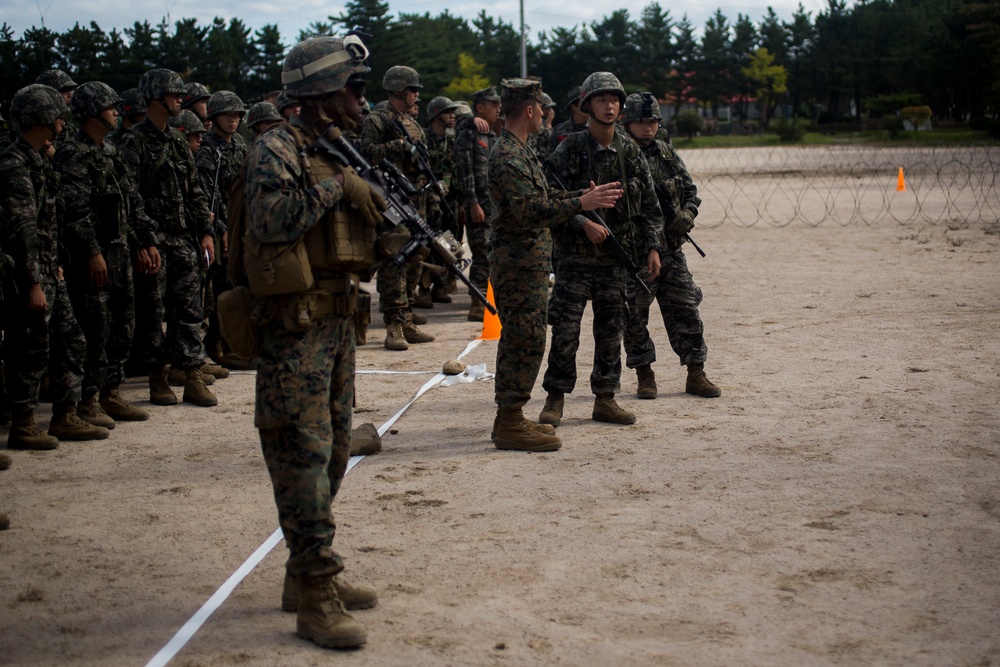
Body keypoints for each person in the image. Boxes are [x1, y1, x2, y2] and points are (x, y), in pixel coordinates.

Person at [244, 34, 384, 649]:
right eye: (353, 88)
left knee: (330, 454)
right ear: (322, 95)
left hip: (334, 320)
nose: (362, 98)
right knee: (301, 456)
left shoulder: (333, 147)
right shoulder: (275, 147)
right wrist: (340, 189)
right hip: (293, 327)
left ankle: (302, 576)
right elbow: (272, 221)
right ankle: (315, 595)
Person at [488, 78, 625, 452]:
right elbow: (530, 209)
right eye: (541, 109)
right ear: (530, 110)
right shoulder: (509, 156)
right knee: (523, 339)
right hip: (517, 265)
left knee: (529, 338)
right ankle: (509, 422)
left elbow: (544, 195)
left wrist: (582, 195)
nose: (546, 116)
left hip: (528, 262)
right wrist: (581, 205)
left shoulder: (521, 149)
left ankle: (512, 417)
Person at [541, 72, 664, 427]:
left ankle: (606, 398)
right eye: (601, 100)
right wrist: (582, 219)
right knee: (565, 331)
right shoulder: (570, 147)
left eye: (614, 100)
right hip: (575, 259)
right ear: (586, 105)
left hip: (615, 260)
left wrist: (653, 247)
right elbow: (546, 196)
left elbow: (649, 207)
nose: (609, 106)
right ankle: (555, 398)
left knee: (611, 331)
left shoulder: (630, 151)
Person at [0, 84, 108, 448]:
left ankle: (65, 415)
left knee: (71, 340)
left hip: (48, 270)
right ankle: (24, 423)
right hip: (27, 274)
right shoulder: (14, 164)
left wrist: (55, 264)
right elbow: (22, 228)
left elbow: (50, 223)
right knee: (30, 349)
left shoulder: (38, 161)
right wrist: (33, 280)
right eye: (56, 112)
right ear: (42, 117)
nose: (63, 118)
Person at [115, 68, 217, 407]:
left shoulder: (176, 139)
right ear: (156, 98)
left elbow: (194, 189)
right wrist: (144, 241)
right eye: (174, 94)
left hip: (182, 239)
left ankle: (192, 376)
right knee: (152, 312)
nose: (180, 99)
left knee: (188, 310)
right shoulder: (133, 142)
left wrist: (205, 230)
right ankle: (158, 379)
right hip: (153, 243)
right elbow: (129, 197)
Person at [54, 81, 150, 430]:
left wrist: (145, 240)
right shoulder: (72, 153)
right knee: (94, 326)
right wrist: (92, 252)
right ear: (93, 111)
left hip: (119, 253)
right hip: (89, 258)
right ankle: (87, 400)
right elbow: (74, 212)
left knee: (121, 325)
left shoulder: (110, 152)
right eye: (110, 106)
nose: (116, 111)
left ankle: (110, 390)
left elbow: (131, 200)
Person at [621, 92, 721, 399]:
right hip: (636, 253)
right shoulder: (618, 155)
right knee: (634, 315)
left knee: (686, 310)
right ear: (629, 123)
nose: (648, 127)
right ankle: (644, 374)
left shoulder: (666, 153)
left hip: (671, 250)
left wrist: (687, 214)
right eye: (641, 121)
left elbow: (690, 190)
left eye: (652, 121)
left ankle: (696, 372)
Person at [359, 65, 436, 350]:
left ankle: (406, 318)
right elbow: (366, 155)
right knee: (395, 257)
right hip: (391, 198)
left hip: (416, 197)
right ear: (398, 91)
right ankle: (393, 325)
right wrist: (398, 146)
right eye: (413, 90)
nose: (417, 95)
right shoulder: (377, 119)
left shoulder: (412, 122)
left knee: (417, 255)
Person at [454, 86, 500, 322]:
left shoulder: (490, 136)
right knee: (481, 252)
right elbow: (465, 171)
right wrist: (471, 203)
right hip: (477, 205)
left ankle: (487, 298)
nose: (498, 109)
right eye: (493, 105)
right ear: (480, 107)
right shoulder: (468, 131)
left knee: (491, 252)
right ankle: (477, 302)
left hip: (492, 206)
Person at [547, 84, 589, 155]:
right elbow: (550, 157)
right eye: (583, 103)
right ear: (573, 107)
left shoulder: (597, 129)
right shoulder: (558, 131)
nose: (587, 106)